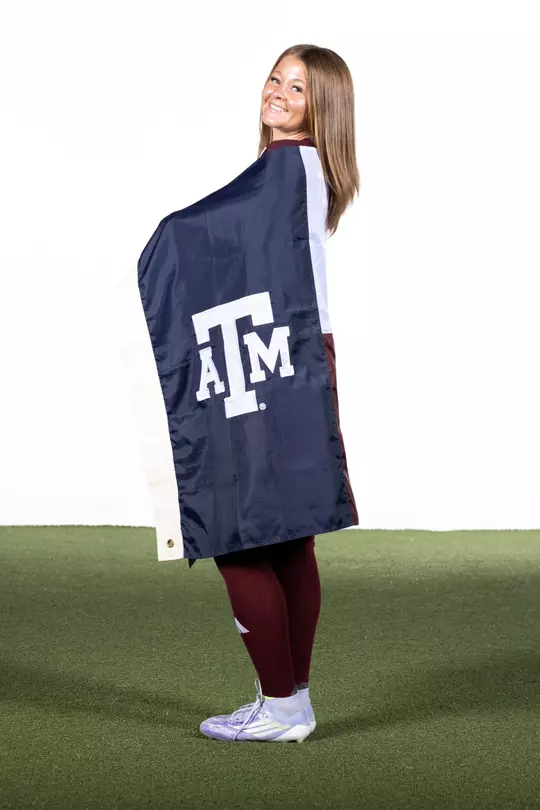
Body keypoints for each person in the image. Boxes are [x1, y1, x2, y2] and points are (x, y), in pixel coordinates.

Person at [199, 43, 360, 743]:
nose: (279, 92)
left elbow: (207, 237)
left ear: (320, 108)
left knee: (238, 532)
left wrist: (158, 252)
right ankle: (290, 704)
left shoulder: (287, 167)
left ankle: (283, 705)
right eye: (276, 77)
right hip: (302, 355)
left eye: (298, 87)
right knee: (290, 537)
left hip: (280, 356)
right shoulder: (299, 170)